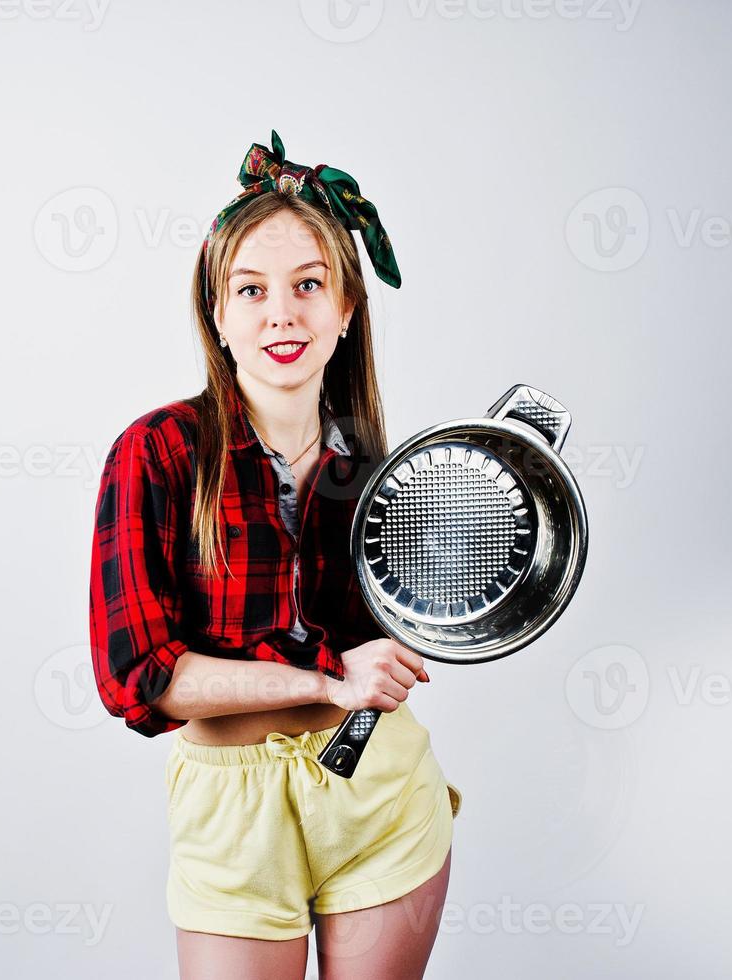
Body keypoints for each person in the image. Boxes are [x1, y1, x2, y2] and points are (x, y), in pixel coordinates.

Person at [88, 130, 462, 980]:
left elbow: (405, 637)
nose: (281, 314)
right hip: (233, 810)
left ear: (346, 309)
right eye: (250, 290)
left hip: (377, 788)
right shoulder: (158, 454)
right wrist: (326, 681)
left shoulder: (379, 474)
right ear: (217, 314)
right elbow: (137, 679)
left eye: (308, 286)